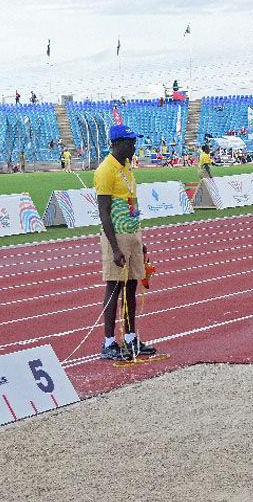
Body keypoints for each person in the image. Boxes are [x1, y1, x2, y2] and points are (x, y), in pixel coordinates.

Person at [94, 124, 157, 360]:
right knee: (114, 287)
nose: (133, 146)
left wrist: (138, 240)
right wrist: (115, 247)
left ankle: (130, 339)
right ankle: (109, 342)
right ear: (117, 143)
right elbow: (104, 212)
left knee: (131, 286)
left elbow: (131, 204)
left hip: (131, 232)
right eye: (129, 142)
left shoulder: (127, 167)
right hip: (116, 236)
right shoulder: (105, 170)